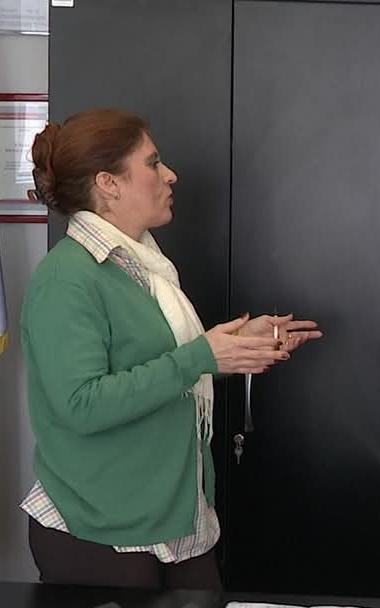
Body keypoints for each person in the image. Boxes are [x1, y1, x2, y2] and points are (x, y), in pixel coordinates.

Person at [20, 108, 322, 589]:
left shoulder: (141, 265)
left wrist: (234, 348)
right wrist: (202, 355)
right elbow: (81, 404)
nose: (170, 175)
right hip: (102, 530)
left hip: (177, 520)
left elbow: (157, 366)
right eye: (153, 163)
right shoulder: (66, 278)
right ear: (109, 184)